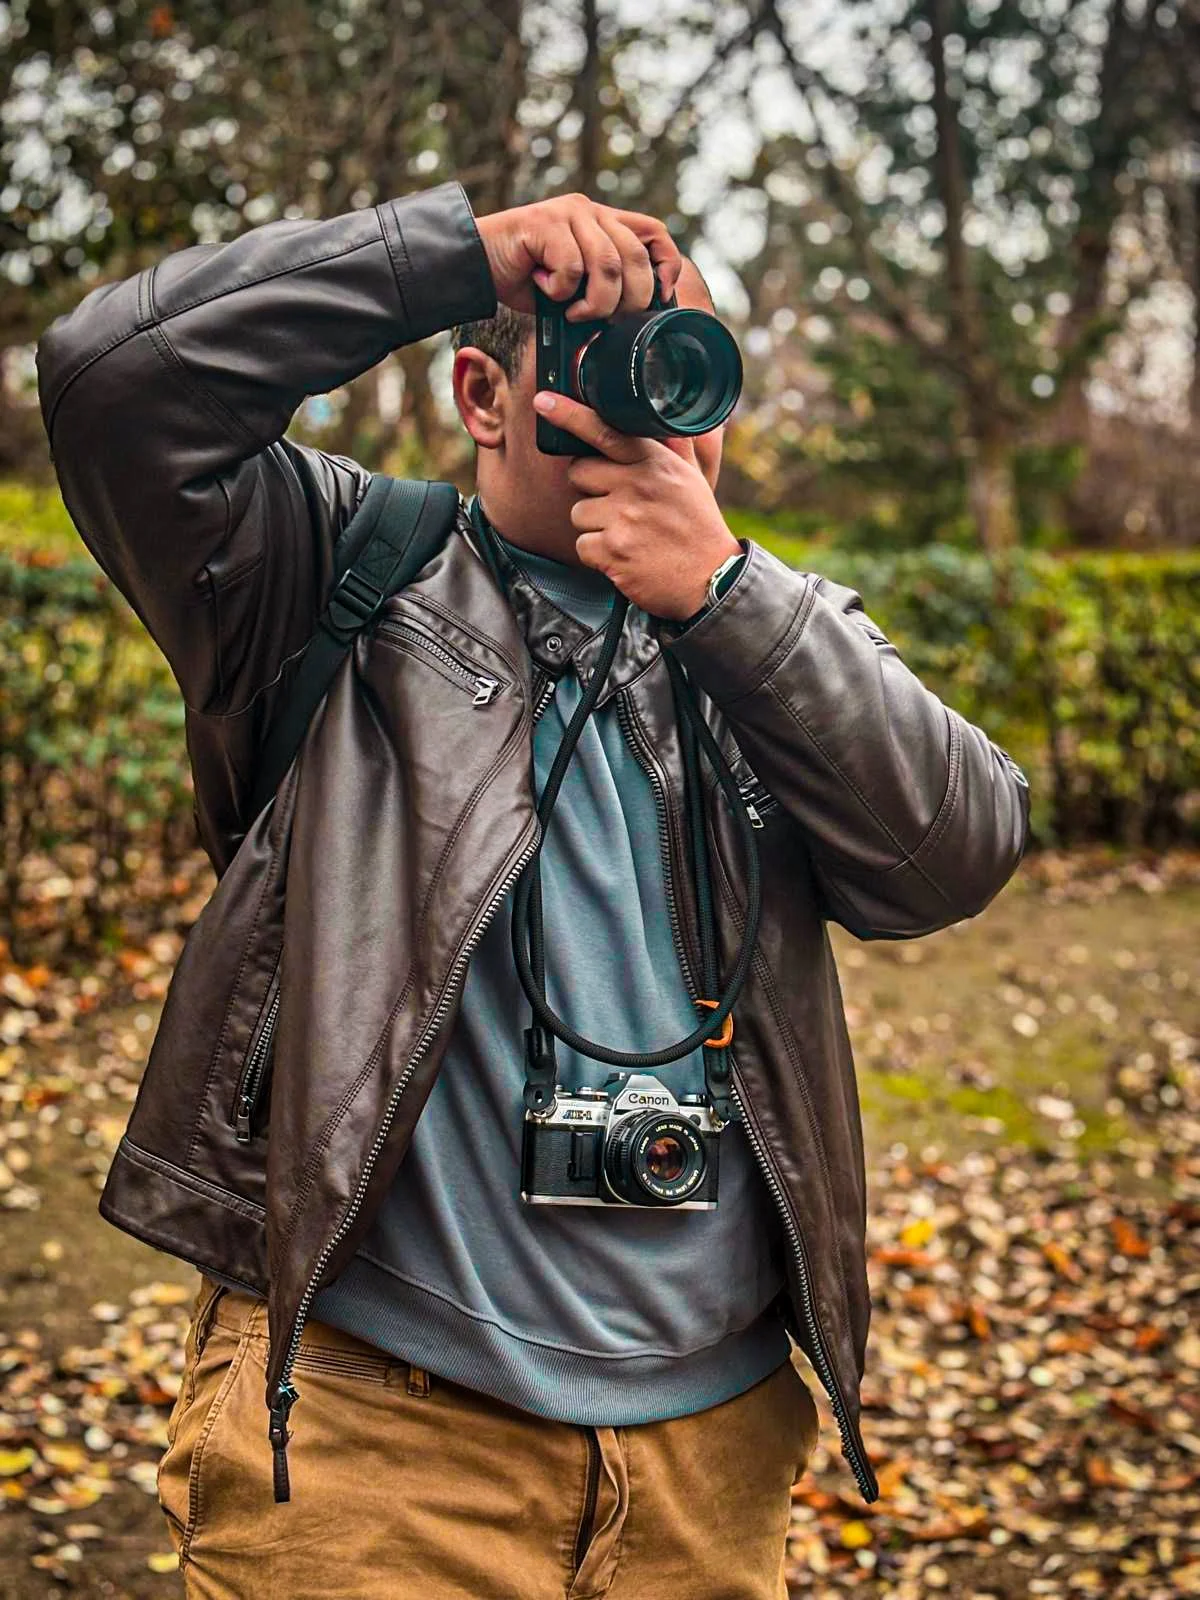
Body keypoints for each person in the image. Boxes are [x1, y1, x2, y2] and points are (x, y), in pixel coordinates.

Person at [35, 182, 1030, 1599]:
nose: (654, 407)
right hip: (378, 1441)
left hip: (712, 1458)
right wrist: (460, 252)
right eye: (599, 359)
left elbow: (963, 847)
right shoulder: (329, 574)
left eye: (685, 365)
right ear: (481, 392)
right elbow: (111, 380)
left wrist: (726, 598)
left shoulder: (767, 638)